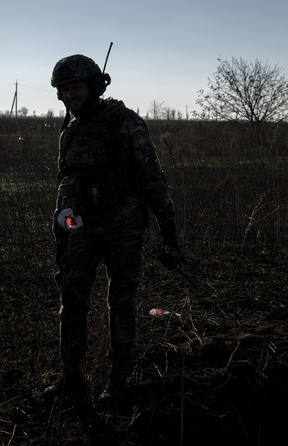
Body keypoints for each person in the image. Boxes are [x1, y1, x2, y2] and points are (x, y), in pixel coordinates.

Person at [45, 54, 182, 409]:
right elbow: (65, 182)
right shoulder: (70, 132)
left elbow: (152, 176)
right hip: (82, 229)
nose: (70, 95)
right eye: (64, 89)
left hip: (123, 229)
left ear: (93, 86)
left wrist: (169, 232)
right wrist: (61, 225)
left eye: (76, 87)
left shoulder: (125, 122)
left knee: (120, 303)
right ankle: (70, 377)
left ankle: (117, 379)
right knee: (71, 299)